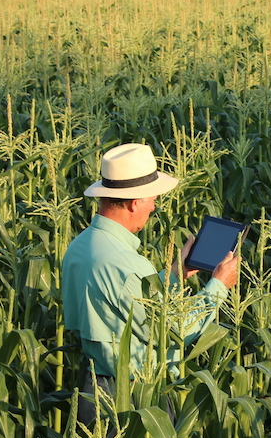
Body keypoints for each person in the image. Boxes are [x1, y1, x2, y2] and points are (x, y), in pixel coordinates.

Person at [62, 143, 238, 414]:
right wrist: (218, 286)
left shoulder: (81, 246)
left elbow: (125, 299)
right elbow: (172, 329)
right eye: (152, 199)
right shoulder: (125, 262)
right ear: (135, 203)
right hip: (133, 398)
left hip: (94, 388)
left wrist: (176, 273)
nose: (154, 208)